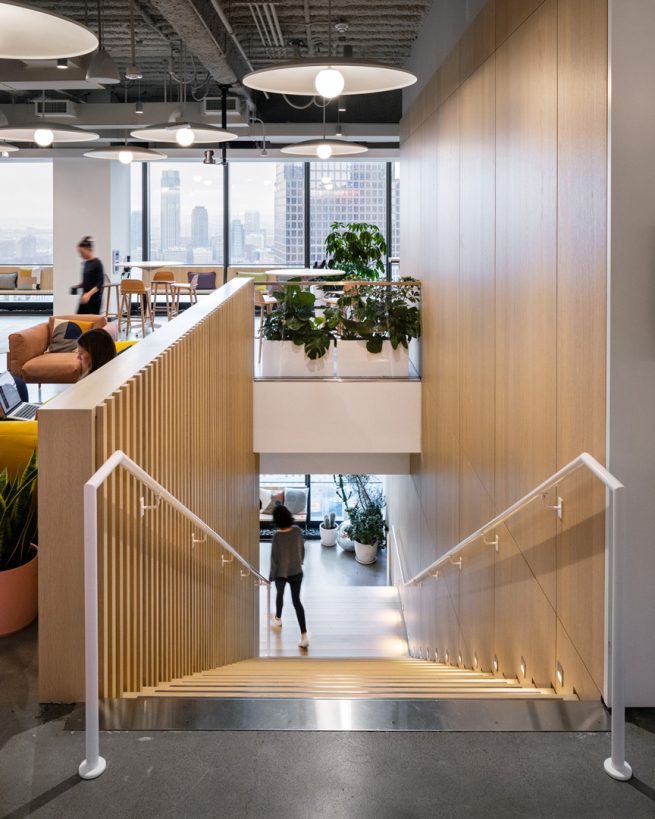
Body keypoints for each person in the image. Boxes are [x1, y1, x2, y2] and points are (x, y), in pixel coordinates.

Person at [269, 504, 309, 649]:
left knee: (279, 595)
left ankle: (278, 618)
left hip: (281, 574)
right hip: (296, 572)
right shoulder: (297, 531)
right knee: (297, 602)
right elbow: (302, 549)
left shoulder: (277, 537)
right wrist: (299, 562)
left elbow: (274, 560)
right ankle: (304, 636)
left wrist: (271, 577)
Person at [73, 235, 104, 315]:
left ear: (89, 249)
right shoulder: (86, 263)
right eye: (79, 253)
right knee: (78, 320)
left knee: (93, 323)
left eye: (82, 252)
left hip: (94, 299)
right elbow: (87, 280)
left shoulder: (97, 263)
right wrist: (79, 285)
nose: (81, 255)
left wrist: (88, 294)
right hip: (85, 297)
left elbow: (99, 283)